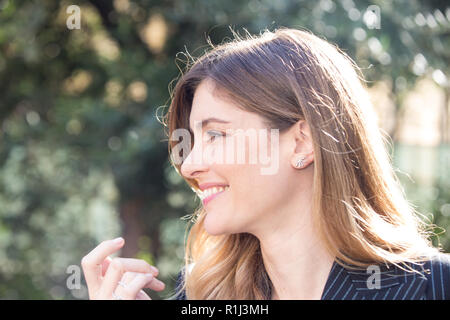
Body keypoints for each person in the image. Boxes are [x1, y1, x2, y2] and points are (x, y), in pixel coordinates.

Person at [81, 27, 450, 300]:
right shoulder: (199, 296)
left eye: (216, 135)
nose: (188, 165)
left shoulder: (433, 287)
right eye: (191, 141)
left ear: (302, 142)